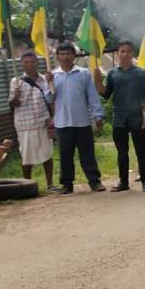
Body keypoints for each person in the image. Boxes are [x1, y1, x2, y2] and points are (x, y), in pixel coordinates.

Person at [94, 40, 145, 192]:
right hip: (119, 119)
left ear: (132, 53)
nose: (125, 54)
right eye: (122, 51)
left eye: (128, 51)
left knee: (141, 151)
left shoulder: (140, 73)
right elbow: (105, 94)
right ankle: (123, 182)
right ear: (118, 54)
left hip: (137, 118)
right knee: (122, 153)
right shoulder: (113, 73)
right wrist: (97, 79)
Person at [48, 43, 104, 194]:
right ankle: (67, 184)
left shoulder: (83, 73)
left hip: (82, 121)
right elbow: (49, 98)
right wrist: (49, 83)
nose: (65, 57)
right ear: (57, 57)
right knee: (65, 154)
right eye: (62, 54)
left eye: (68, 54)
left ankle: (94, 181)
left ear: (74, 56)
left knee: (87, 154)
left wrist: (98, 115)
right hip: (62, 122)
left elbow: (92, 96)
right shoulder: (54, 75)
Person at [8, 51, 54, 189]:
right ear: (21, 64)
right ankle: (27, 184)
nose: (29, 64)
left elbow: (51, 99)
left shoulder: (45, 80)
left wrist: (52, 117)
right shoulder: (16, 81)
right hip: (25, 124)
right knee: (26, 155)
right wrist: (16, 96)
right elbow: (12, 104)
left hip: (43, 121)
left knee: (47, 153)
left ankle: (50, 183)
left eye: (32, 61)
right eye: (26, 62)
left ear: (37, 63)